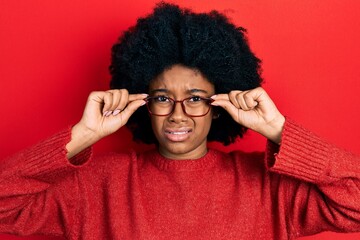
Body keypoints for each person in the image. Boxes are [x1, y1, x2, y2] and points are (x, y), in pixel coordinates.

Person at [1, 2, 359, 240]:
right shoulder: (99, 186)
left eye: (195, 98)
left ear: (219, 105)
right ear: (143, 102)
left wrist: (280, 131)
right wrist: (82, 136)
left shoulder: (269, 187)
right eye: (162, 98)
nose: (177, 113)